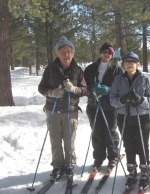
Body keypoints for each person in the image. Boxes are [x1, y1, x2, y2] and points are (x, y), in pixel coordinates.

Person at [38, 36, 87, 179]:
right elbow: (41, 87)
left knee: (69, 139)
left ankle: (70, 164)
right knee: (55, 139)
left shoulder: (77, 70)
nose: (66, 54)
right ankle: (58, 166)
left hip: (70, 111)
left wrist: (74, 89)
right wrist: (51, 92)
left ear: (73, 53)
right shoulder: (50, 69)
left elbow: (85, 89)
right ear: (57, 53)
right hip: (52, 109)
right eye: (63, 52)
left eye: (69, 51)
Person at [110, 51, 150, 189]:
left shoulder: (144, 78)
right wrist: (122, 100)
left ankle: (144, 171)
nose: (130, 64)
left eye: (133, 61)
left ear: (138, 63)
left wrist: (141, 99)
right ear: (123, 64)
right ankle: (132, 171)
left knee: (142, 145)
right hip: (124, 117)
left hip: (141, 117)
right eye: (127, 61)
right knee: (129, 145)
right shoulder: (118, 79)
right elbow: (112, 99)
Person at [83, 42, 123, 171]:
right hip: (93, 105)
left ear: (112, 55)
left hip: (110, 106)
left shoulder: (117, 69)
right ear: (101, 52)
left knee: (110, 132)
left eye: (109, 53)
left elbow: (121, 87)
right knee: (96, 132)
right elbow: (84, 86)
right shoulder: (90, 68)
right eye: (104, 52)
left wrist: (108, 90)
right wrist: (91, 91)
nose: (106, 55)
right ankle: (98, 158)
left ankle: (113, 157)